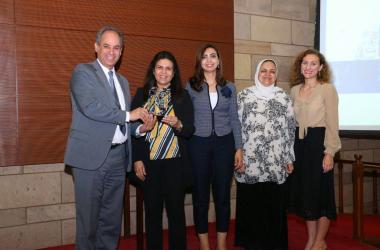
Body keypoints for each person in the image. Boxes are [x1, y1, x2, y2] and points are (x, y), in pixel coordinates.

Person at [64, 25, 150, 250]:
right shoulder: (83, 72)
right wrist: (129, 115)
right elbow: (91, 107)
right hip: (90, 160)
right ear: (96, 47)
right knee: (88, 223)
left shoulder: (123, 82)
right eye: (106, 46)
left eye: (117, 48)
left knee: (111, 222)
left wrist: (140, 129)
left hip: (118, 159)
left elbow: (123, 123)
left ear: (121, 51)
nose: (111, 52)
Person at [131, 51, 194, 250]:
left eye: (168, 68)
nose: (163, 72)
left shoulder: (182, 96)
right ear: (153, 70)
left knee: (176, 214)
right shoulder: (142, 94)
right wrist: (137, 159)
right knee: (152, 214)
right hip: (149, 163)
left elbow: (190, 130)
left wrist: (178, 124)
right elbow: (131, 130)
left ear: (174, 73)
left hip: (175, 163)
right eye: (160, 67)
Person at [186, 43, 244, 250]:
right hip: (198, 144)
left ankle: (221, 243)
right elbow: (186, 118)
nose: (209, 60)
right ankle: (203, 243)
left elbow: (235, 119)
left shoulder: (230, 86)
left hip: (224, 144)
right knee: (200, 196)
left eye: (213, 56)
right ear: (199, 61)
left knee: (222, 196)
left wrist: (239, 148)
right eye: (205, 57)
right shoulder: (190, 86)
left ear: (219, 61)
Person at [234, 59, 296, 250]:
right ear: (257, 73)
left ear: (276, 75)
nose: (267, 75)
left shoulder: (283, 97)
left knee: (273, 206)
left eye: (271, 72)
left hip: (276, 162)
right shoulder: (244, 96)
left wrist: (289, 157)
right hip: (250, 162)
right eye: (263, 71)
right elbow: (236, 127)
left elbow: (290, 129)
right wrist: (238, 155)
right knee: (252, 206)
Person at [288, 49, 341, 250]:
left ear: (320, 68)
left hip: (319, 144)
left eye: (313, 63)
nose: (308, 67)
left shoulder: (327, 89)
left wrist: (330, 152)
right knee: (307, 196)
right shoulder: (294, 90)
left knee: (322, 194)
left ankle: (320, 241)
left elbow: (333, 123)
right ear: (300, 66)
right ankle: (311, 239)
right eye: (305, 63)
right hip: (300, 146)